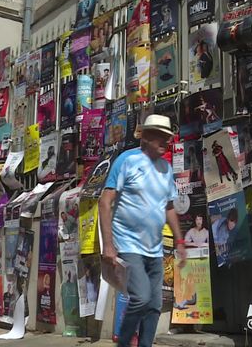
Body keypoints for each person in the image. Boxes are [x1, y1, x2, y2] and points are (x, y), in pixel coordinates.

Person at [99, 114, 186, 347]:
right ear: (145, 137)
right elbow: (105, 201)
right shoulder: (126, 161)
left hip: (154, 249)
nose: (165, 141)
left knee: (154, 305)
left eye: (167, 137)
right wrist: (108, 245)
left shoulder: (166, 169)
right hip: (128, 245)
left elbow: (168, 207)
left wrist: (179, 240)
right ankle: (124, 343)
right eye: (160, 136)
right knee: (140, 298)